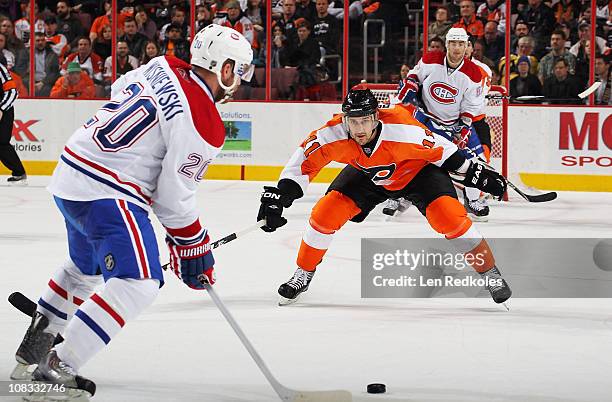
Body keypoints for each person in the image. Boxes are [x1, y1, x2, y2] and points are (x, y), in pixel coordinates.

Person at [12, 24, 253, 398]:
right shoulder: (204, 119)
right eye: (237, 71)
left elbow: (121, 88)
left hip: (71, 169)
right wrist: (193, 246)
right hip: (106, 187)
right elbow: (173, 198)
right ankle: (56, 368)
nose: (237, 80)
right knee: (139, 281)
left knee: (84, 267)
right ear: (223, 69)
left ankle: (34, 346)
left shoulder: (162, 64)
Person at [257, 88, 510, 306]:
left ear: (376, 117)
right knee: (325, 213)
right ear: (344, 118)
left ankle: (489, 272)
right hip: (367, 176)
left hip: (418, 173)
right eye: (352, 121)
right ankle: (303, 274)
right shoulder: (332, 133)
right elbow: (301, 163)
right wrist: (279, 196)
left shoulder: (402, 129)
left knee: (449, 217)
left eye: (364, 121)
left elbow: (444, 151)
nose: (358, 129)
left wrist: (476, 174)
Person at [394, 28, 491, 221]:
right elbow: (415, 75)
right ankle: (400, 196)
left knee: (476, 162)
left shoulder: (473, 74)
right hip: (426, 118)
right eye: (453, 44)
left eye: (461, 44)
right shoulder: (431, 60)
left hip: (454, 123)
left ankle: (472, 201)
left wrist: (464, 126)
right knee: (413, 157)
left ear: (466, 47)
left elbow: (471, 105)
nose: (456, 48)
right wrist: (411, 84)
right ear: (447, 45)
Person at [0, 61, 25, 183]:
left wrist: (1, 109)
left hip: (4, 111)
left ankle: (19, 172)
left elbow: (12, 92)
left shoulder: (0, 70)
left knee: (1, 143)